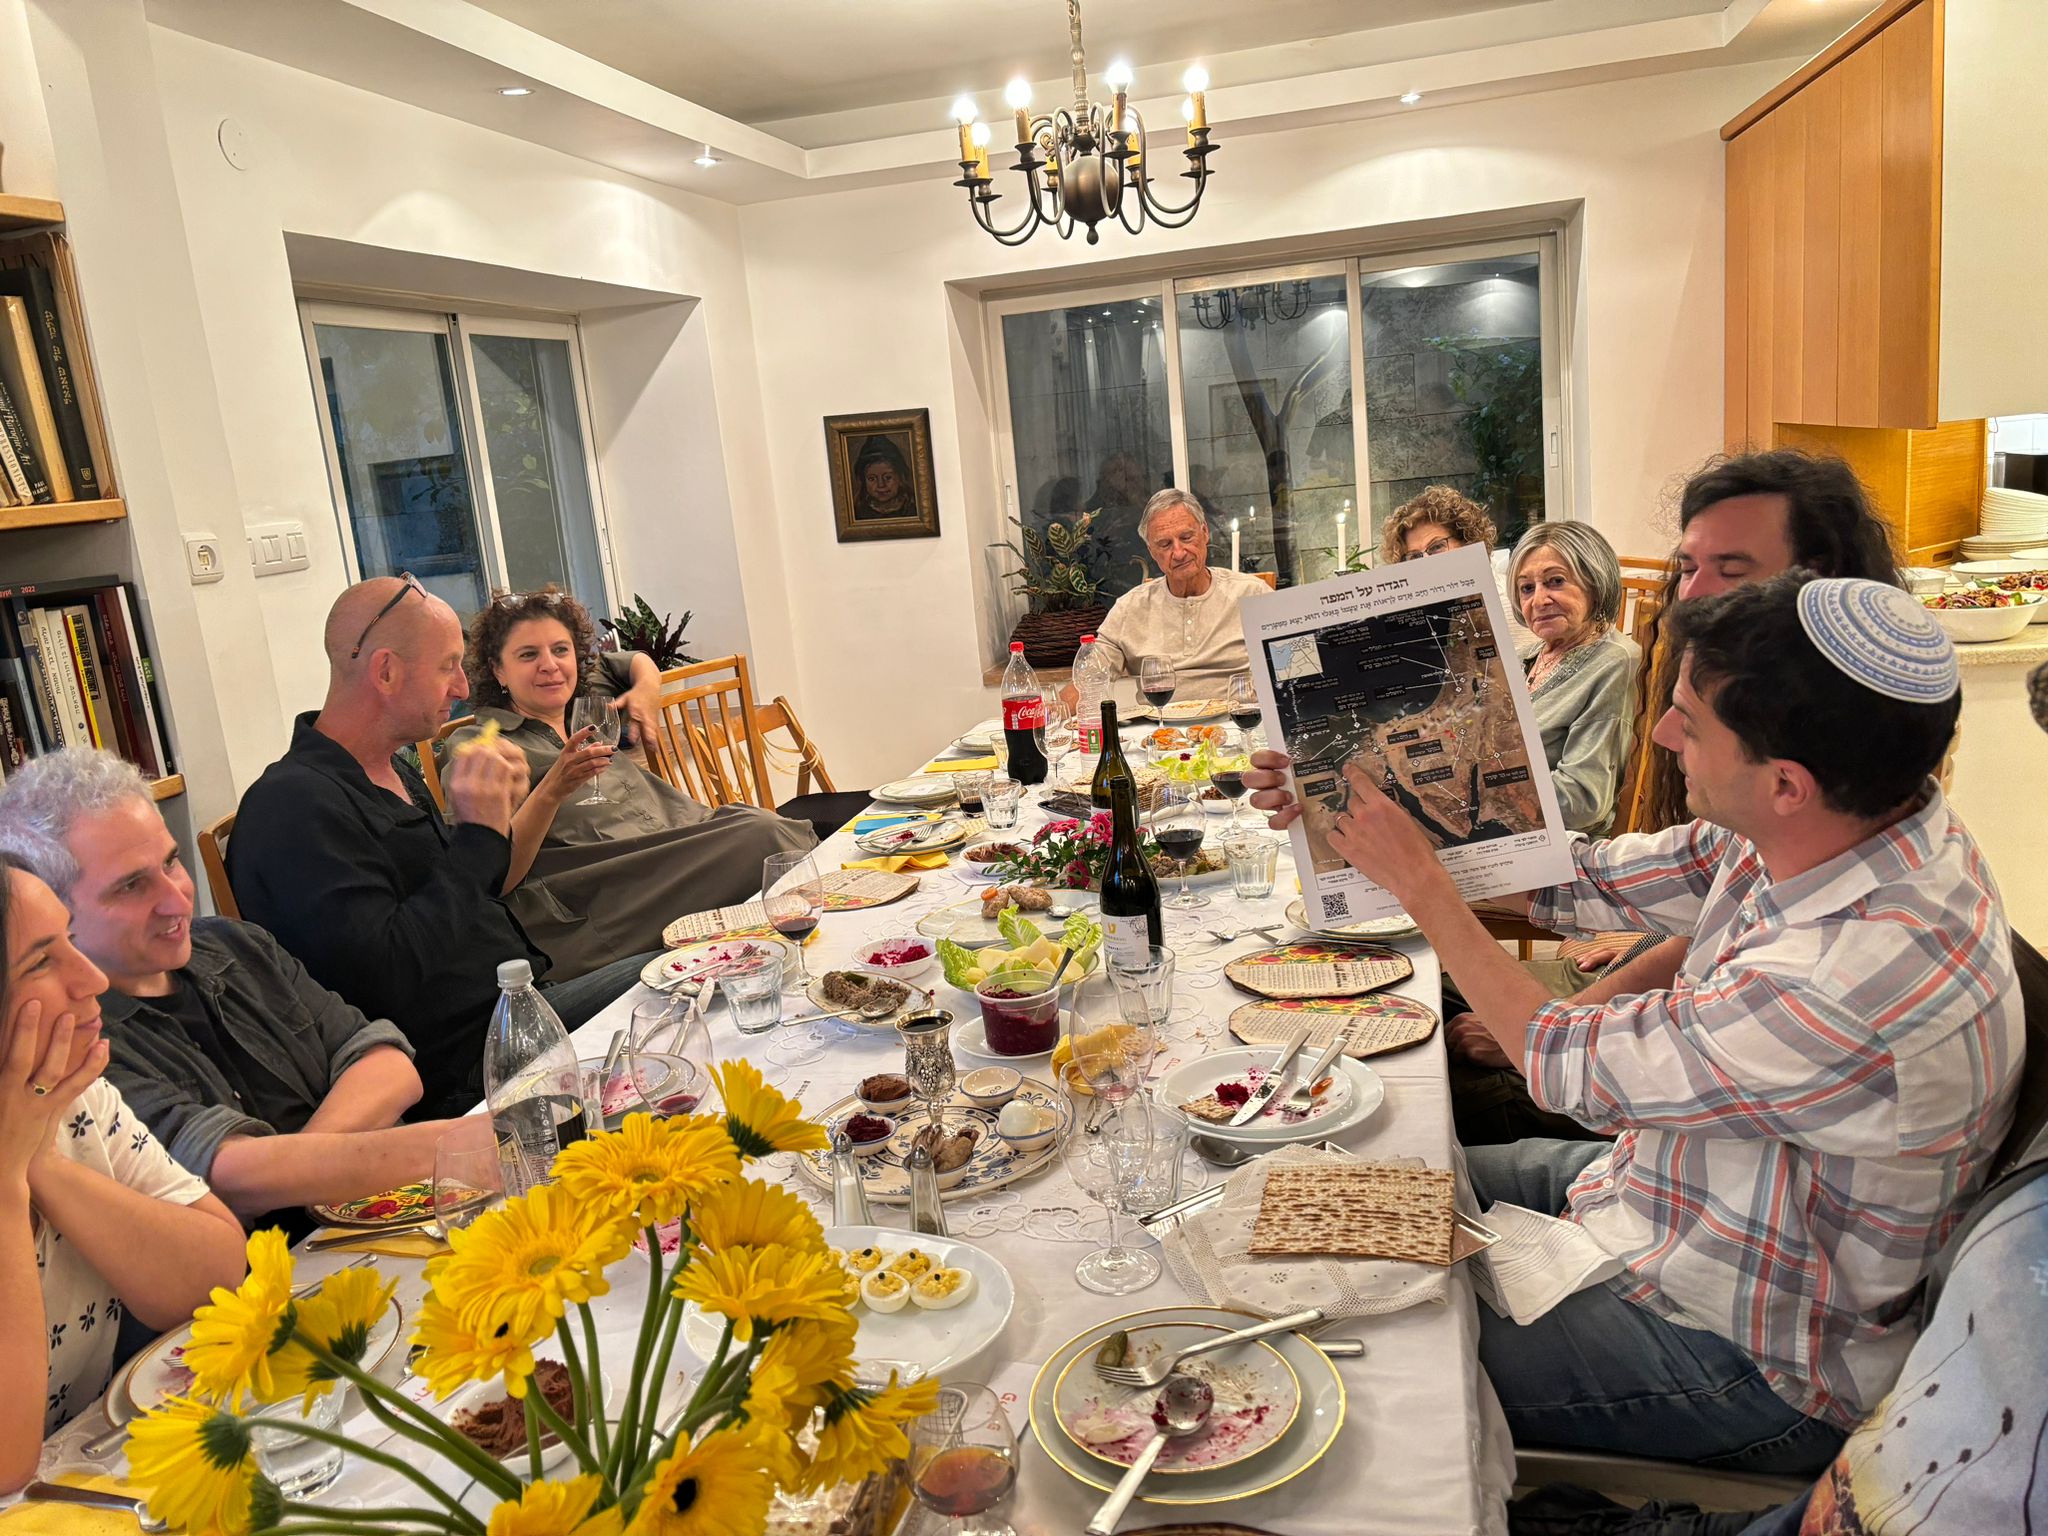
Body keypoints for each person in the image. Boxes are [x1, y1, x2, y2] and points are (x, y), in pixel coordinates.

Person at [1246, 574, 2021, 1475]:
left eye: (1688, 722)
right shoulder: (1839, 822)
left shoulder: (1857, 972)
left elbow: (1558, 1061)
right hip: (1671, 1200)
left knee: (1340, 1353)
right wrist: (1351, 807)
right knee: (1317, 1204)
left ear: (1786, 783)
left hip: (1752, 1350)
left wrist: (1424, 886)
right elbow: (1578, 878)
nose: (1661, 735)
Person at [1447, 451, 1911, 1145]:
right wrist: (1415, 836)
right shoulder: (1772, 820)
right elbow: (1609, 886)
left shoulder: (1836, 945)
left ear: (1823, 585)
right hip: (1631, 1109)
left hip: (1646, 1166)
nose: (1690, 598)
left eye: (1731, 570)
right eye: (1687, 568)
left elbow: (1577, 1068)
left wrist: (1428, 881)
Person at [228, 576, 655, 1118]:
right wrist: (478, 835)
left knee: (684, 979)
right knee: (674, 990)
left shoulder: (393, 771)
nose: (461, 687)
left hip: (523, 1008)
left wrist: (494, 823)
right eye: (448, 666)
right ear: (386, 671)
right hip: (470, 1073)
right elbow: (386, 980)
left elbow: (466, 898)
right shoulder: (292, 808)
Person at [0, 749, 467, 1230]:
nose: (177, 898)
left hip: (396, 1210)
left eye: (171, 861)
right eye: (132, 886)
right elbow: (227, 1175)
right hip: (285, 1264)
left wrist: (296, 1170)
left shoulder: (235, 944)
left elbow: (391, 1065)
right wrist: (459, 1145)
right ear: (49, 911)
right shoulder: (78, 1041)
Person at [0, 858, 244, 1466]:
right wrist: (7, 1178)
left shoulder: (71, 1097)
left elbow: (218, 1275)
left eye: (69, 940)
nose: (92, 978)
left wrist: (40, 1163)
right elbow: (6, 1460)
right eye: (40, 962)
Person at [444, 589, 815, 981]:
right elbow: (494, 877)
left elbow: (636, 661)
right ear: (498, 670)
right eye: (528, 655)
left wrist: (646, 690)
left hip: (681, 843)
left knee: (779, 839)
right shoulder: (483, 745)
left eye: (560, 650)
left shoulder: (586, 705)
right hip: (610, 898)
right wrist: (553, 788)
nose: (550, 665)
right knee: (765, 837)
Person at [1507, 523, 1638, 836]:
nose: (1539, 600)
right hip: (1510, 826)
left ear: (1595, 584)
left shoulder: (1613, 663)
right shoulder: (1526, 656)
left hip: (1561, 843)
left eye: (1555, 581)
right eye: (1527, 588)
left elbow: (1582, 800)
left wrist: (1489, 788)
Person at [1090, 488, 1272, 699]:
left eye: (1186, 537)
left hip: (1237, 717)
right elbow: (1090, 679)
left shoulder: (1253, 594)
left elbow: (1291, 668)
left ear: (1205, 532)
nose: (1178, 553)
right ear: (1151, 551)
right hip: (1158, 720)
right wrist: (1058, 711)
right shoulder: (1129, 608)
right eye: (1165, 544)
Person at [1377, 484, 1535, 651]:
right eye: (1414, 556)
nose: (1425, 562)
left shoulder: (1512, 601)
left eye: (1436, 547)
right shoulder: (1414, 616)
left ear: (1467, 541)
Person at [851, 435, 915, 522]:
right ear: (863, 481)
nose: (881, 485)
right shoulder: (858, 512)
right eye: (872, 479)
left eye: (888, 477)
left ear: (901, 478)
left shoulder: (912, 508)